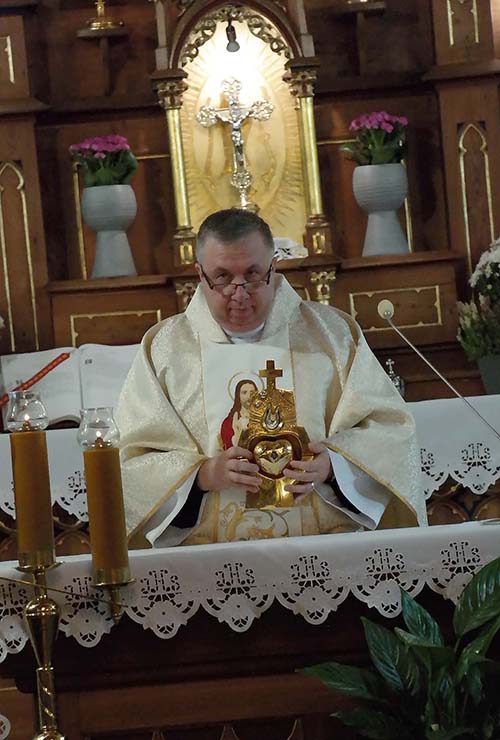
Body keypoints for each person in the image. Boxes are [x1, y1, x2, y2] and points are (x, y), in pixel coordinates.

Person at [116, 208, 427, 548]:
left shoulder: (332, 335)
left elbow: (391, 430)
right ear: (199, 274)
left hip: (326, 548)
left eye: (252, 275)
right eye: (222, 277)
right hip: (208, 557)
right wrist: (203, 476)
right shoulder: (165, 350)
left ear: (273, 267)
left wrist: (334, 467)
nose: (239, 293)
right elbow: (132, 458)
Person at [220, 378, 258, 449]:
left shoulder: (262, 418)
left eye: (252, 392)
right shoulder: (229, 422)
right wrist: (236, 432)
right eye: (244, 392)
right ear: (238, 396)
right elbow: (228, 445)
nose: (249, 396)